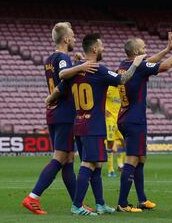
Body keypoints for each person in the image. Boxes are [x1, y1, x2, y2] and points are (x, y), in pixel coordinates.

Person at [21, 22, 97, 215]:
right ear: (65, 39)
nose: (73, 39)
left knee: (68, 160)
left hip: (54, 113)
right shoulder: (63, 57)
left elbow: (62, 74)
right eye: (71, 36)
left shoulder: (49, 58)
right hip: (64, 113)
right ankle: (33, 197)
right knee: (60, 157)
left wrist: (76, 65)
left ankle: (77, 204)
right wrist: (82, 66)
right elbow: (64, 77)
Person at [67, 33, 145, 216]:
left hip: (78, 123)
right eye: (101, 46)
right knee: (88, 163)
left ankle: (100, 204)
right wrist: (136, 63)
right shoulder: (98, 69)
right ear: (94, 49)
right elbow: (123, 79)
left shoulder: (76, 68)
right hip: (93, 125)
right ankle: (77, 205)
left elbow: (62, 84)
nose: (103, 48)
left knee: (97, 164)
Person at [116, 29, 172, 213]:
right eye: (143, 47)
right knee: (132, 159)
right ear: (136, 52)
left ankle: (142, 199)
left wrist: (167, 48)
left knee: (141, 158)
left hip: (125, 117)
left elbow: (148, 62)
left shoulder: (124, 65)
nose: (146, 49)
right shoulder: (139, 67)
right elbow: (165, 66)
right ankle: (122, 203)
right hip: (134, 120)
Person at [105, 85, 126, 178]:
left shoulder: (123, 89)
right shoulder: (108, 87)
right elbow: (97, 95)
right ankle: (110, 170)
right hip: (110, 120)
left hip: (119, 119)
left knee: (124, 141)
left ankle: (120, 164)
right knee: (110, 144)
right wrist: (103, 110)